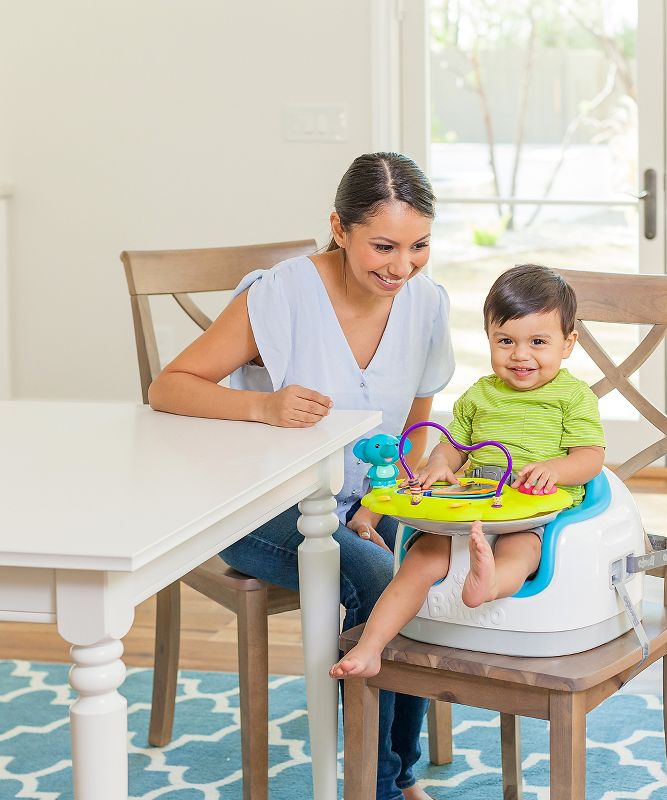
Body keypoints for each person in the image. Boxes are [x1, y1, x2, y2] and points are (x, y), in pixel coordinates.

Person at [148, 152, 455, 800]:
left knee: (430, 551)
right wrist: (261, 405)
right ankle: (375, 787)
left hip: (362, 499)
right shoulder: (282, 295)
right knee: (377, 575)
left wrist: (387, 500)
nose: (401, 267)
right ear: (339, 229)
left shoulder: (426, 304)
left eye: (419, 246)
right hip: (260, 508)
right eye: (383, 246)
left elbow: (411, 428)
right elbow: (168, 386)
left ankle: (396, 772)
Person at [331, 264, 605, 680]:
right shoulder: (478, 395)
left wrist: (553, 468)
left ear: (568, 344)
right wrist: (440, 464)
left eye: (538, 342)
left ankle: (489, 583)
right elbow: (452, 447)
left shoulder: (573, 397)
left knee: (522, 550)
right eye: (506, 341)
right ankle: (371, 647)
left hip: (528, 515)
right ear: (489, 339)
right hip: (470, 508)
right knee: (420, 557)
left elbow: (590, 458)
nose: (521, 355)